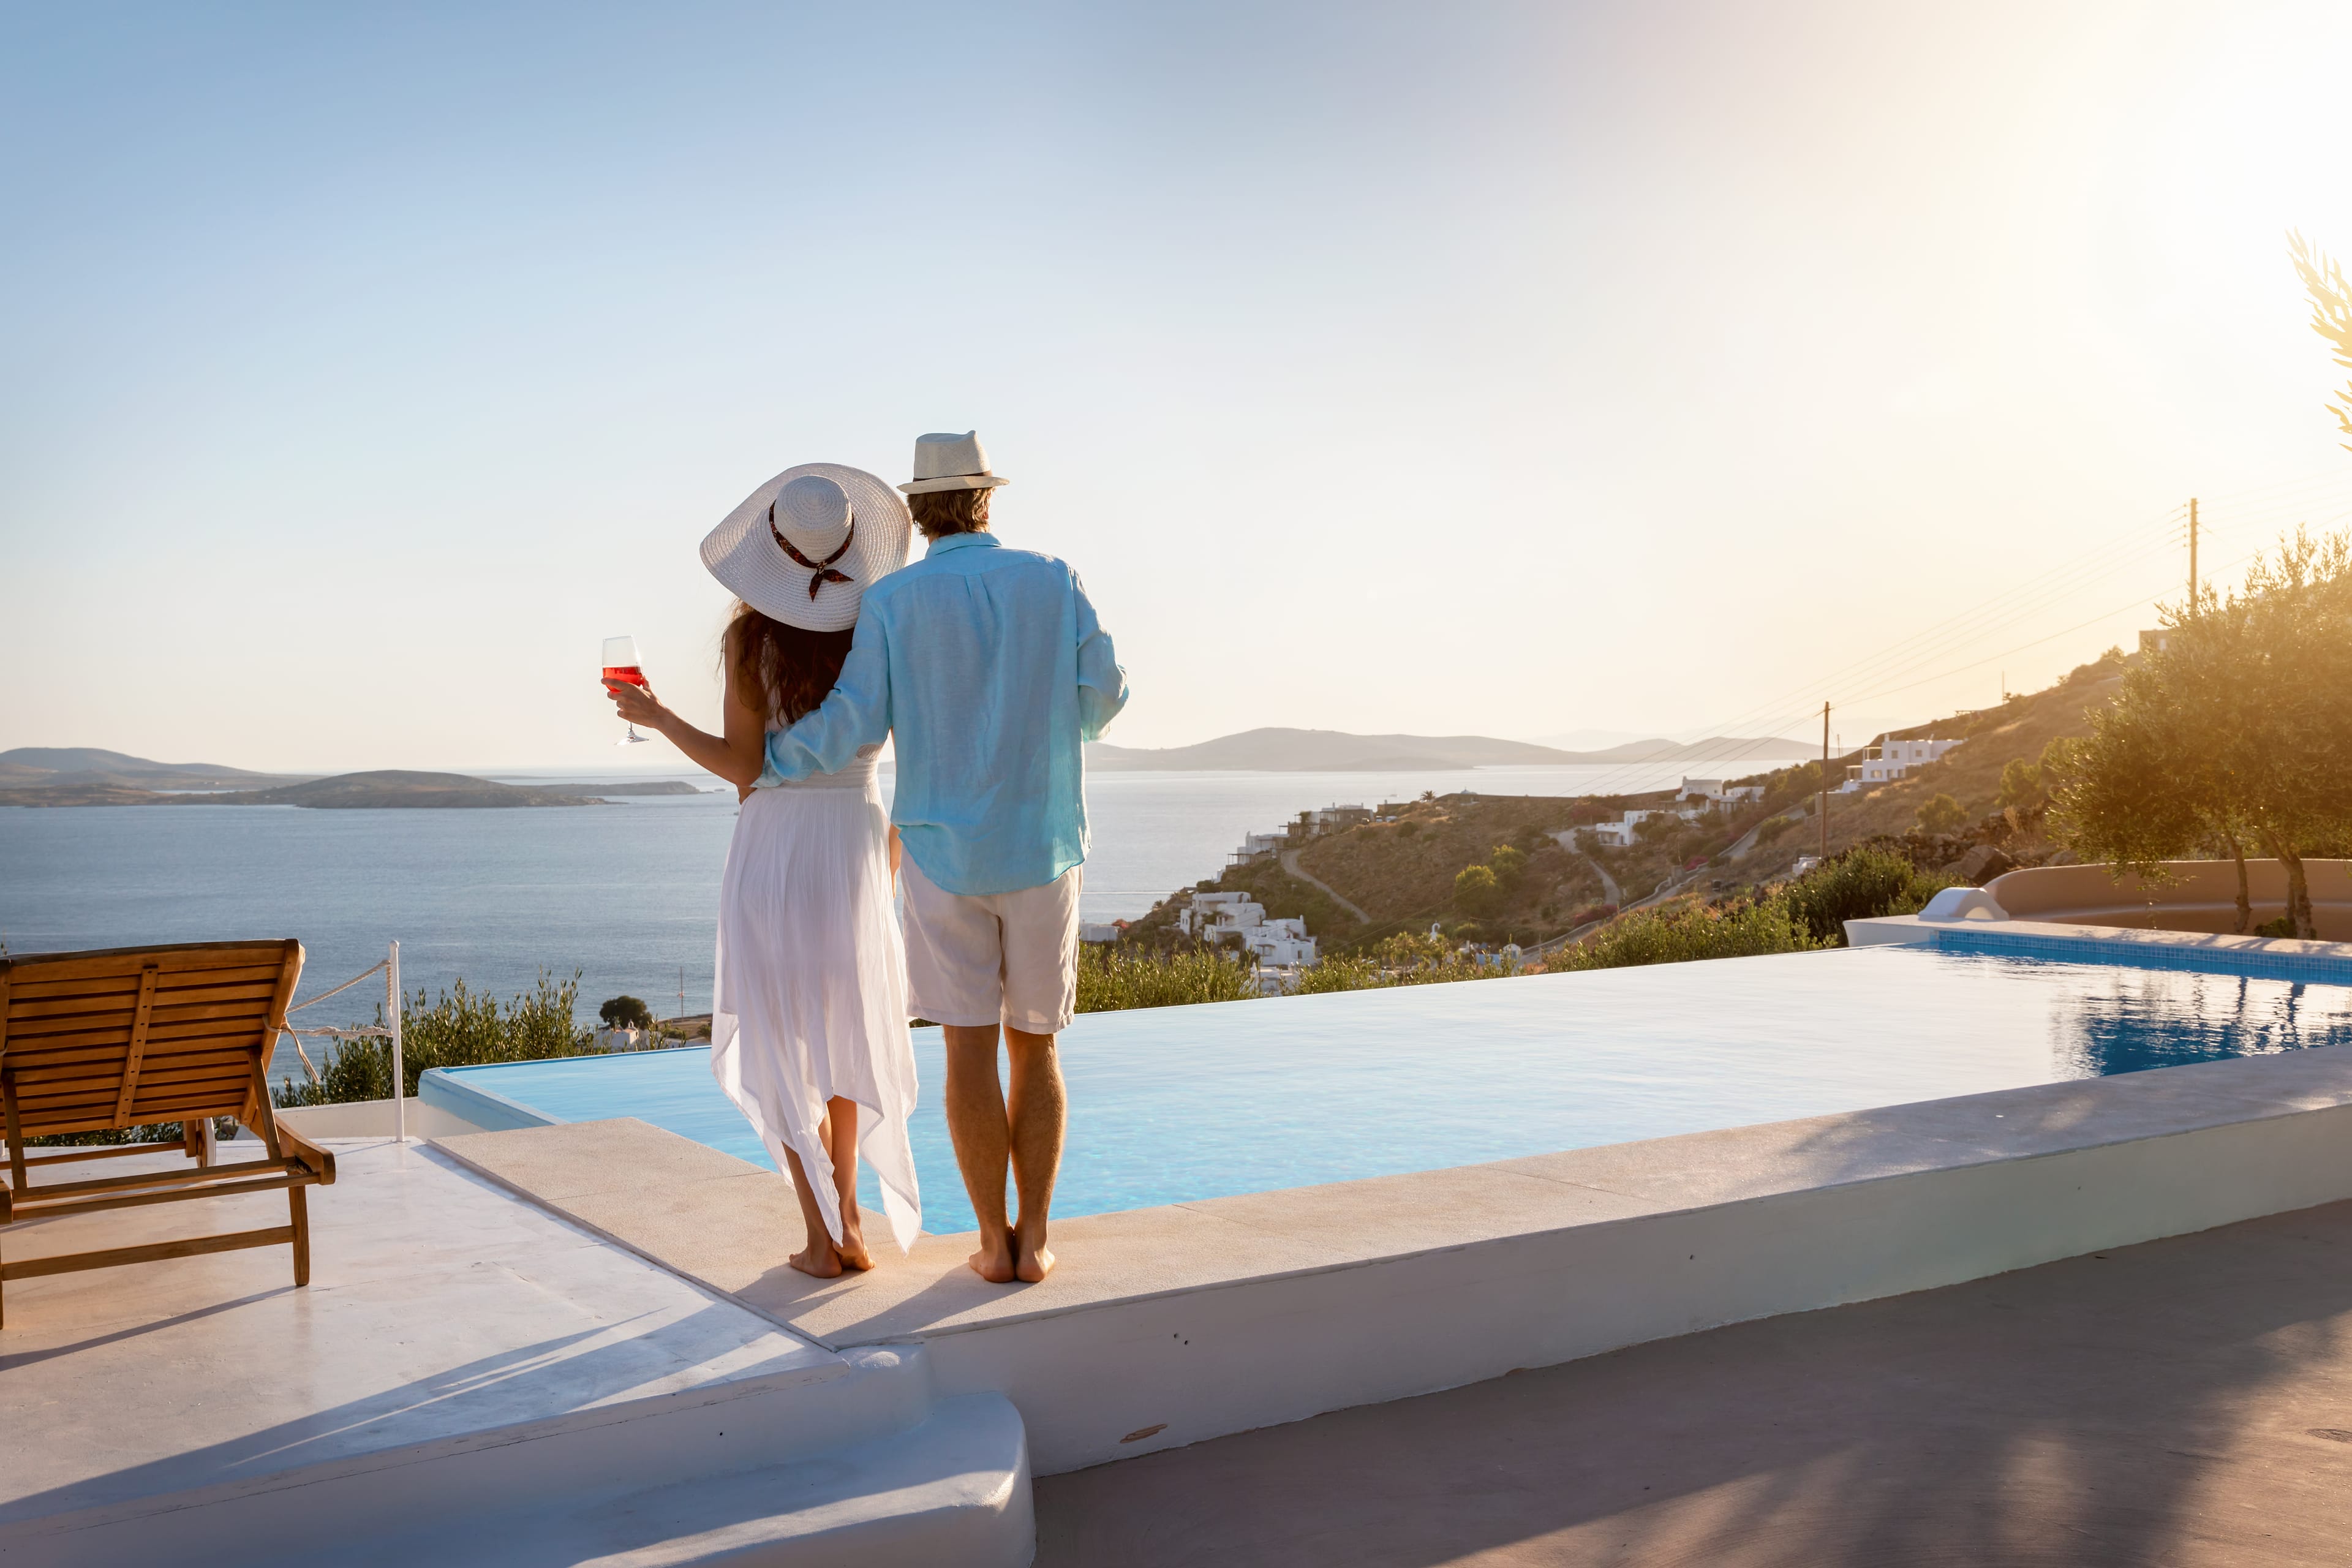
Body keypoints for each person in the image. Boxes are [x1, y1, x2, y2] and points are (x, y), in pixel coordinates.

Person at [763, 431, 1128, 1284]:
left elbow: (853, 724)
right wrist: (1052, 736)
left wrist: (769, 764)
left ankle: (992, 1244)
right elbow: (1104, 694)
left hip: (938, 852)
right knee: (1035, 1046)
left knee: (967, 1048)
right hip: (1041, 843)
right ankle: (1036, 1240)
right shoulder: (1053, 578)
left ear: (919, 512)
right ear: (985, 500)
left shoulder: (895, 602)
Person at [605, 462, 921, 1278]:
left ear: (772, 551)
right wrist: (890, 858)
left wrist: (656, 716)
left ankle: (823, 1235)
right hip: (858, 836)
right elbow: (910, 756)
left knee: (782, 1038)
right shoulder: (882, 626)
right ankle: (848, 1217)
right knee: (849, 1031)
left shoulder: (750, 637)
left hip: (779, 845)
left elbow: (745, 769)